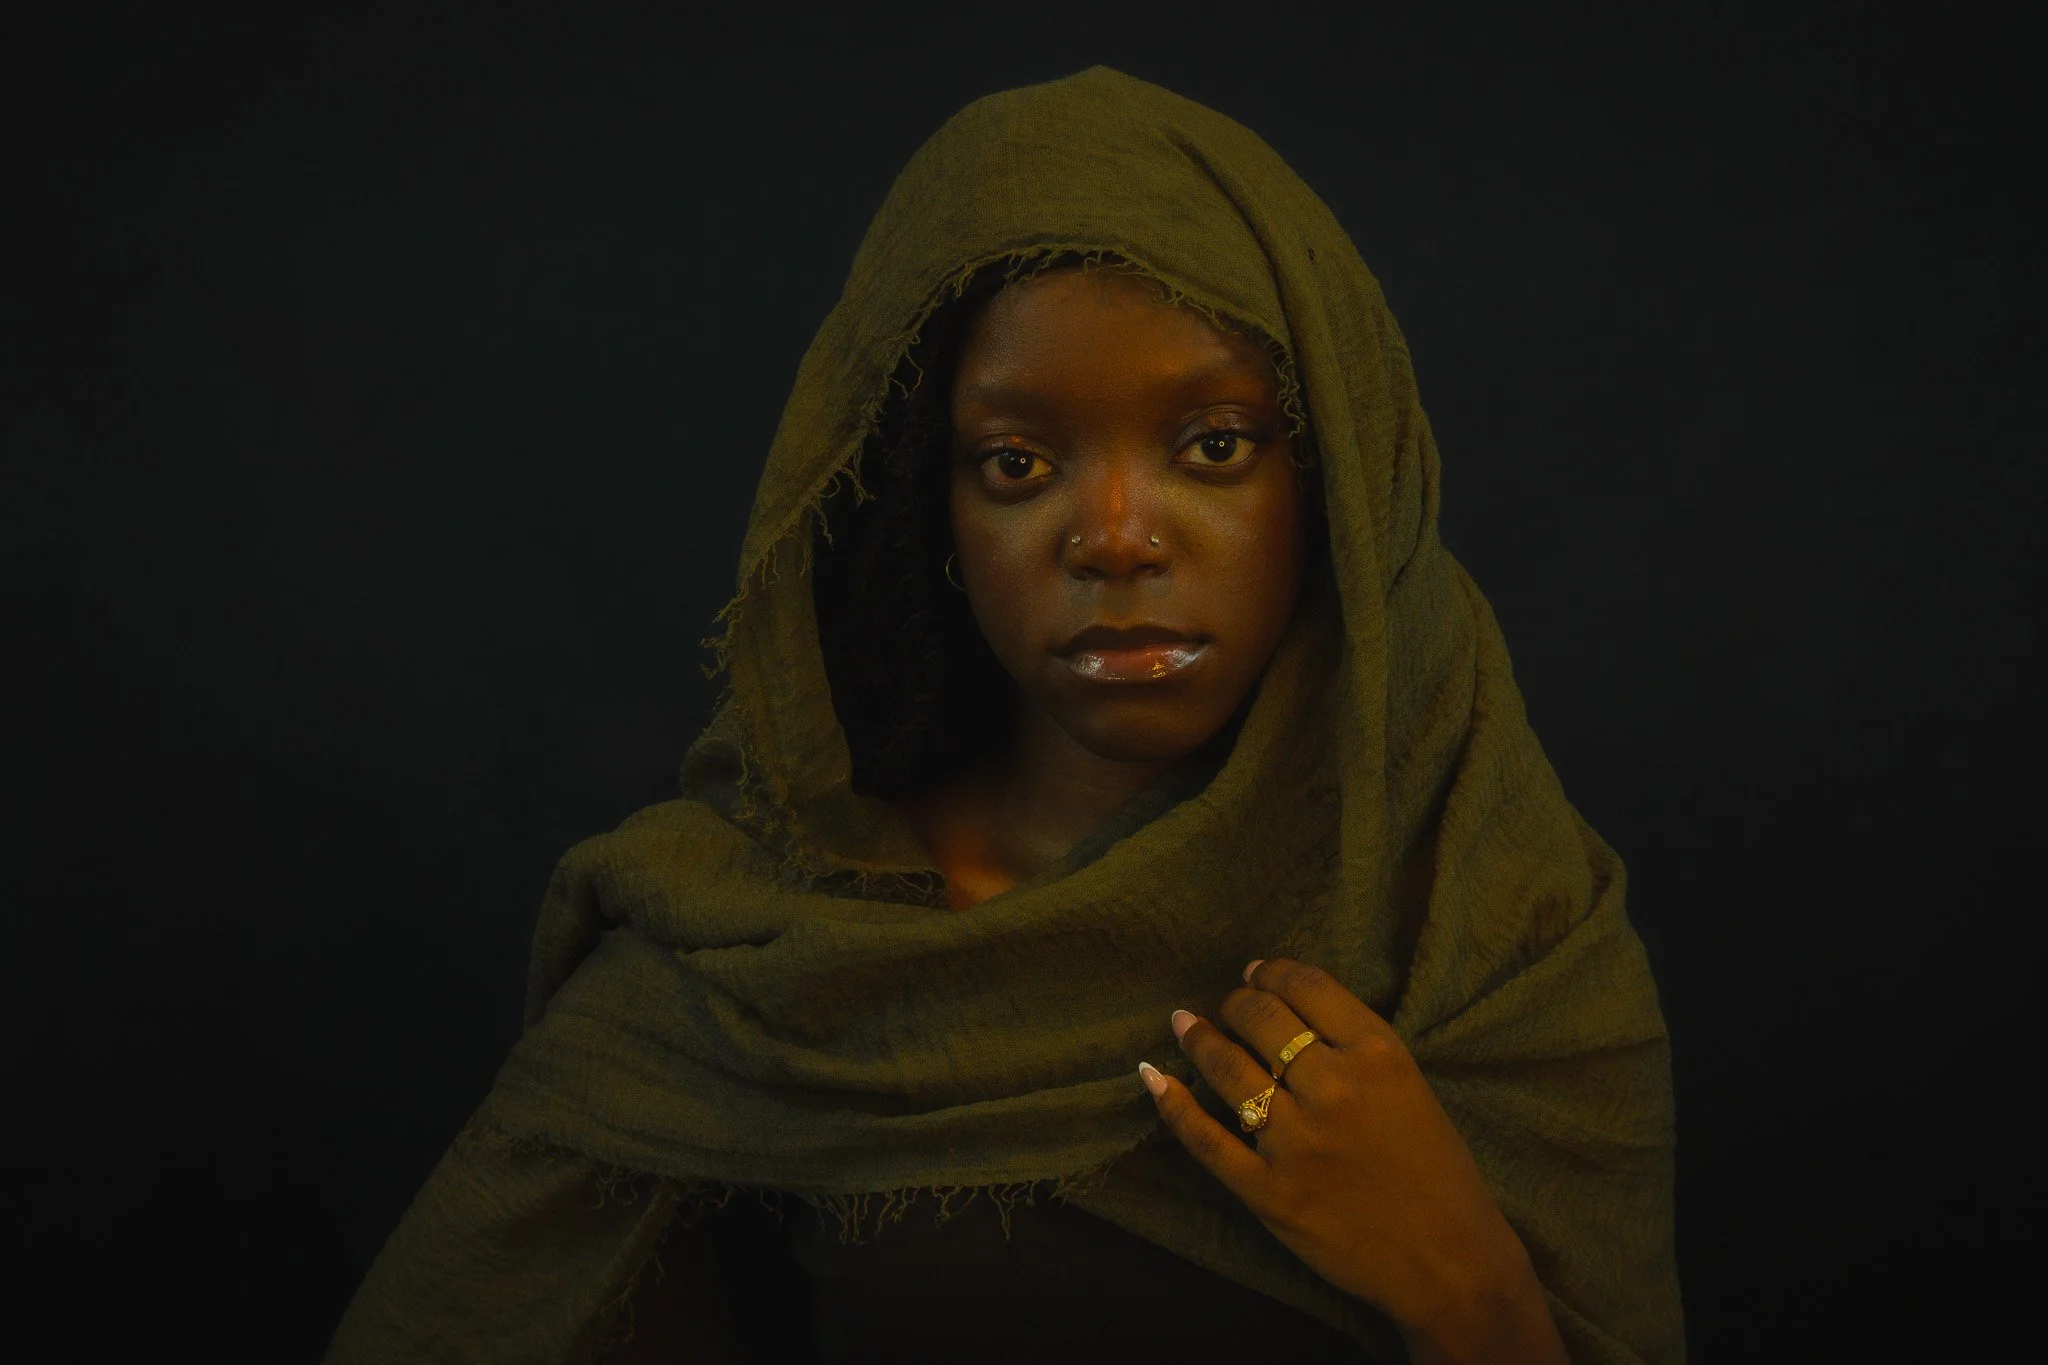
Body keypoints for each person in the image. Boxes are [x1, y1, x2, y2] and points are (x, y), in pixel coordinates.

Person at [324, 66, 1683, 1364]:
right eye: (1018, 463)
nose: (1115, 537)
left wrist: (1463, 1285)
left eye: (1215, 445)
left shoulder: (1499, 939)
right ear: (933, 512)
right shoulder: (765, 957)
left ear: (1340, 478)